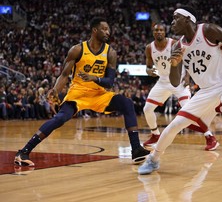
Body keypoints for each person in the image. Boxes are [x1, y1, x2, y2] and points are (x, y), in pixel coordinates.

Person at [138, 6, 222, 179]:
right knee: (175, 124)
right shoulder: (178, 46)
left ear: (188, 19)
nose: (172, 22)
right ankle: (154, 158)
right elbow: (175, 82)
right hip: (206, 90)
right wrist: (175, 63)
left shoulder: (208, 30)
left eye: (176, 18)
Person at [14, 17, 150, 167]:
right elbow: (65, 74)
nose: (108, 32)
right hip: (78, 93)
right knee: (60, 119)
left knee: (127, 103)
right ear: (95, 30)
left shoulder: (110, 53)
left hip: (99, 94)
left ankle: (136, 149)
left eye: (109, 30)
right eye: (104, 29)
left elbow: (110, 82)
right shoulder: (78, 49)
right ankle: (24, 151)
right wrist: (55, 90)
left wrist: (94, 78)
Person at [143, 23, 219, 151]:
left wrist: (188, 77)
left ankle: (210, 137)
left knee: (189, 110)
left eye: (161, 30)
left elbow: (188, 59)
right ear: (153, 32)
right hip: (162, 81)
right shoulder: (149, 48)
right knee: (147, 109)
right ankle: (155, 135)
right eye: (156, 30)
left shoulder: (174, 44)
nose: (159, 32)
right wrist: (149, 71)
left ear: (165, 32)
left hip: (179, 80)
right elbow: (148, 66)